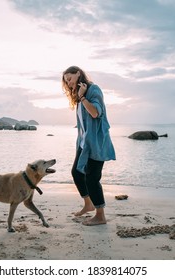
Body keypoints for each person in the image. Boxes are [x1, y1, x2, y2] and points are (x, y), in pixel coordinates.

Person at [62, 66, 116, 226]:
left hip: (97, 143)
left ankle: (100, 215)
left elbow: (95, 113)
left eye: (70, 79)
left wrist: (83, 98)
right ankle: (88, 204)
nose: (69, 83)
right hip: (84, 143)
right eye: (66, 82)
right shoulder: (80, 94)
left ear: (78, 73)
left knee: (92, 178)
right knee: (77, 173)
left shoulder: (93, 90)